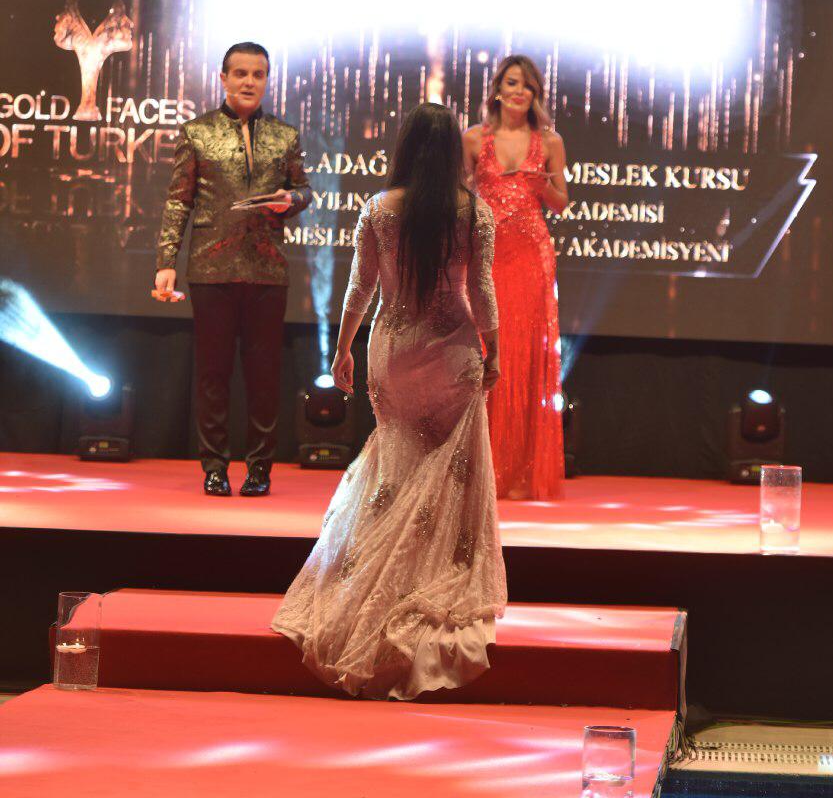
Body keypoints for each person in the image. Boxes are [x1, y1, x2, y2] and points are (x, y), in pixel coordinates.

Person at [272, 103, 507, 700]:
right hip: (452, 350)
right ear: (453, 152)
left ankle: (374, 579)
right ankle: (436, 573)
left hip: (395, 351)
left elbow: (361, 288)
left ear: (404, 148)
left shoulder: (379, 208)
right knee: (451, 472)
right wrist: (495, 349)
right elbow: (481, 288)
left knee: (394, 465)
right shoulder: (473, 211)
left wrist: (343, 349)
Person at [154, 41, 311, 497]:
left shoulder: (284, 135)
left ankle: (260, 468)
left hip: (267, 270)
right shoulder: (196, 133)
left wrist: (290, 201)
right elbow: (178, 201)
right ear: (223, 78)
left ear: (267, 80)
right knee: (213, 374)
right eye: (240, 73)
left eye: (258, 74)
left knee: (264, 377)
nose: (249, 82)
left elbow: (304, 190)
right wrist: (166, 262)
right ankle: (214, 467)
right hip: (211, 268)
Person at [463, 54, 569, 501]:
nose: (518, 92)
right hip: (487, 256)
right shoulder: (473, 138)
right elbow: (459, 195)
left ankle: (521, 470)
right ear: (497, 90)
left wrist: (541, 183)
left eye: (526, 85)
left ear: (535, 94)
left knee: (524, 358)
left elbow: (561, 202)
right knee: (484, 352)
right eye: (511, 83)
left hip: (530, 257)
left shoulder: (549, 141)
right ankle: (478, 468)